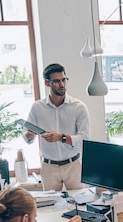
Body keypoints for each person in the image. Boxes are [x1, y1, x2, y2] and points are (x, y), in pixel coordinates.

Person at [23, 63, 91, 191]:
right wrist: (30, 134)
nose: (62, 84)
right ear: (47, 83)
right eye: (56, 81)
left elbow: (85, 139)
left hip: (74, 165)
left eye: (64, 80)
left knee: (81, 202)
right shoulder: (37, 107)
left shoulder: (78, 107)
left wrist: (61, 137)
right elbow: (27, 138)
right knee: (50, 206)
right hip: (49, 167)